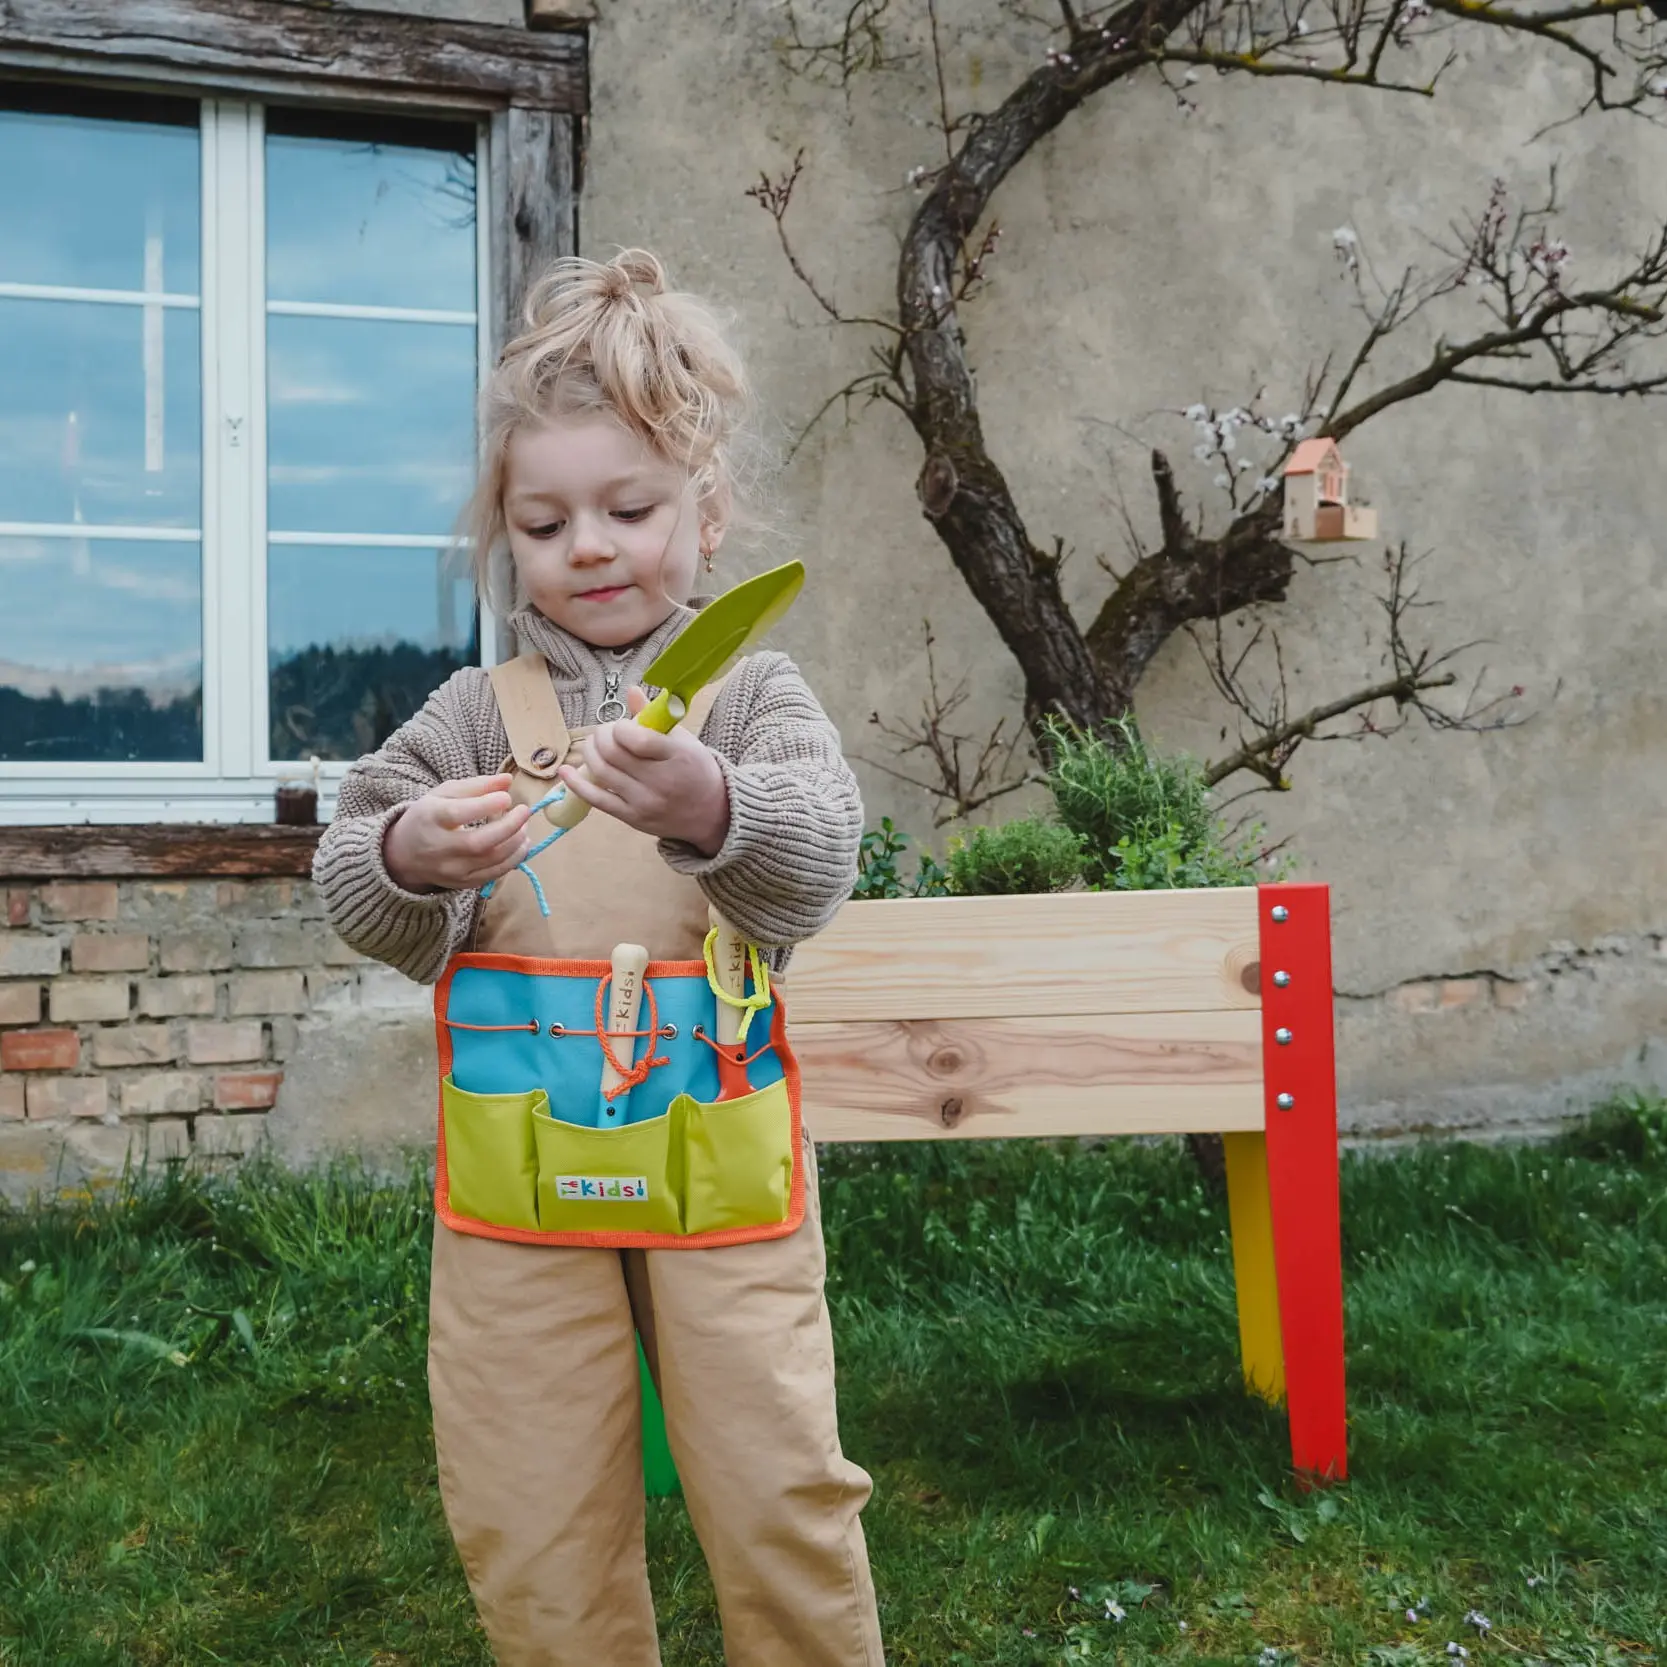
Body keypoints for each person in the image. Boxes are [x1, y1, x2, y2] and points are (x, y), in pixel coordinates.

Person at [313, 248, 884, 1667]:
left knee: (775, 1481)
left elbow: (818, 863)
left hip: (720, 1162)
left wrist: (713, 806)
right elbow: (350, 872)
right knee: (530, 1502)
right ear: (507, 538)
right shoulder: (471, 712)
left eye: (631, 510)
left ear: (707, 512)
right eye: (546, 520)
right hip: (516, 1184)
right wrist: (406, 856)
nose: (590, 546)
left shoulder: (750, 691)